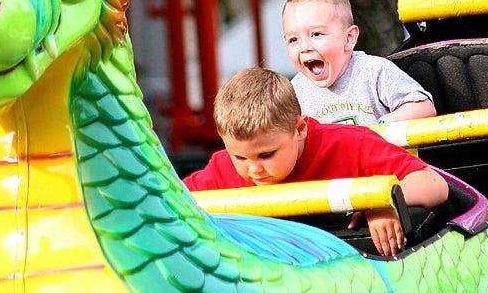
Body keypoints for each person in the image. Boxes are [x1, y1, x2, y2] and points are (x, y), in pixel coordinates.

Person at [183, 67, 449, 256]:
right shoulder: (221, 168)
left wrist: (382, 202)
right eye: (239, 157)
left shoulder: (350, 144)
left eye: (266, 155)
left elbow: (435, 184)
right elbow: (173, 199)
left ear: (300, 129)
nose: (253, 169)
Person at [281, 0, 436, 125]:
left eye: (316, 34)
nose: (304, 47)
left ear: (349, 38)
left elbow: (424, 107)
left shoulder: (373, 71)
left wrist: (382, 125)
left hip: (378, 155)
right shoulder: (295, 92)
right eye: (293, 39)